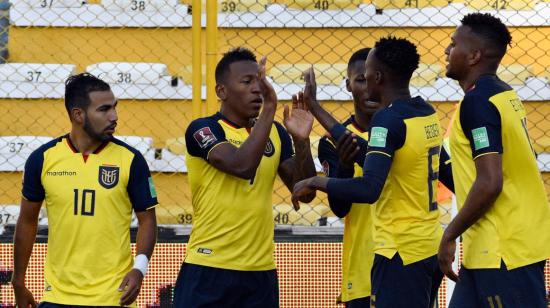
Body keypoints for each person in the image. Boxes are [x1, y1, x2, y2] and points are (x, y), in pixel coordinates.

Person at [293, 36, 453, 308]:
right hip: (428, 246)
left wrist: (316, 180)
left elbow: (369, 188)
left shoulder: (386, 120)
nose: (365, 77)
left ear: (377, 77)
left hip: (399, 252)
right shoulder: (423, 111)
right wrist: (315, 107)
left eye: (367, 72)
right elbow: (373, 150)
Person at [173, 47, 316, 308]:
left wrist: (301, 140)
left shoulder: (275, 132)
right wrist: (270, 107)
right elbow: (241, 166)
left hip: (260, 272)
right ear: (221, 91)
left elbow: (304, 192)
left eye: (260, 81)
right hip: (208, 267)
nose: (257, 89)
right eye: (247, 82)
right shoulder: (204, 129)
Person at [11, 73, 158, 307]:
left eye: (114, 108)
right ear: (78, 115)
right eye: (104, 109)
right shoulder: (42, 159)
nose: (114, 116)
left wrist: (139, 269)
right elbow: (27, 221)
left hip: (114, 296)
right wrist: (18, 282)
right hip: (57, 296)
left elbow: (147, 220)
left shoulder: (131, 160)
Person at [438, 13, 550, 307]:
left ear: (474, 55)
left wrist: (449, 235)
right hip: (490, 249)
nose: (447, 51)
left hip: (505, 250)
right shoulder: (503, 94)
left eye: (454, 44)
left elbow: (490, 182)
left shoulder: (478, 102)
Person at [315, 47, 381, 307]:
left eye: (374, 78)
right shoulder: (332, 142)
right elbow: (339, 209)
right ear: (348, 85)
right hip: (362, 270)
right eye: (360, 80)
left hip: (406, 260)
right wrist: (344, 166)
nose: (368, 88)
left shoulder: (403, 129)